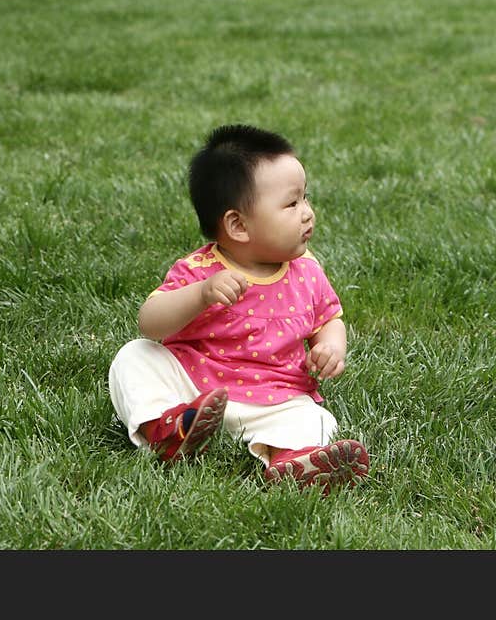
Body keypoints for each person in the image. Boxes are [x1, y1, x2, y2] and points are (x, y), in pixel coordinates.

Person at [108, 124, 368, 493]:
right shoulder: (200, 272)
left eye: (305, 198)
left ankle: (292, 461)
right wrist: (199, 295)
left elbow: (329, 319)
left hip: (278, 396)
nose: (308, 213)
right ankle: (168, 429)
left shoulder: (306, 270)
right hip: (196, 389)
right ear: (237, 225)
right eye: (292, 204)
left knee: (316, 419)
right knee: (134, 357)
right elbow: (151, 324)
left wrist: (331, 347)